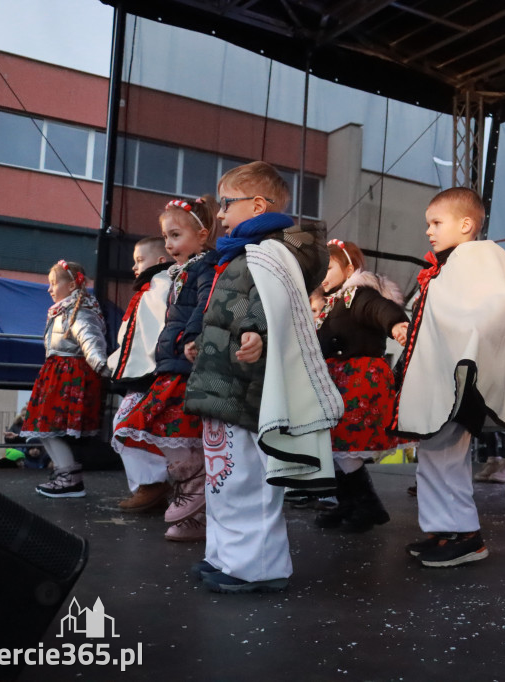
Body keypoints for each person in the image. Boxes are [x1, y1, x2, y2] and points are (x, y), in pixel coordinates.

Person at [184, 161, 340, 593]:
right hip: (227, 378)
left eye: (226, 204)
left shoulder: (270, 254)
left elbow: (272, 308)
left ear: (256, 205)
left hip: (245, 383)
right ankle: (229, 557)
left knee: (243, 478)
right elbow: (240, 305)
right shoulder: (243, 253)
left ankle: (251, 566)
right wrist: (204, 339)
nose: (219, 214)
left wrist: (257, 335)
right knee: (224, 477)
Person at [390, 187, 505, 568]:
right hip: (445, 374)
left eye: (437, 223)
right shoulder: (455, 264)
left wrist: (465, 350)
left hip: (459, 376)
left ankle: (465, 535)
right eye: (428, 224)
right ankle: (443, 531)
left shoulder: (478, 257)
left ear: (467, 224)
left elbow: (489, 309)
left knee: (446, 455)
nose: (429, 231)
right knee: (434, 455)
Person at [114, 197, 219, 541]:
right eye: (166, 236)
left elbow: (204, 307)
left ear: (202, 235)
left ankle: (194, 489)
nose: (170, 244)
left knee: (176, 429)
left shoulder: (205, 268)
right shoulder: (177, 273)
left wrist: (193, 337)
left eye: (176, 235)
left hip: (185, 365)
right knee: (157, 427)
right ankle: (191, 499)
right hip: (171, 364)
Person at [313, 238, 409, 533]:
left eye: (328, 267)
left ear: (350, 267)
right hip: (338, 380)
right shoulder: (333, 302)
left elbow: (378, 308)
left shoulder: (357, 294)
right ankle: (351, 503)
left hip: (359, 379)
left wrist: (395, 324)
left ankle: (367, 506)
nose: (322, 275)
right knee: (335, 445)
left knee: (345, 444)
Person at [19, 260, 108, 497]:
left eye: (53, 283)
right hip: (58, 373)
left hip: (69, 375)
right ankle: (66, 474)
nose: (49, 288)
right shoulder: (64, 310)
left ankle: (68, 477)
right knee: (43, 426)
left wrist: (101, 365)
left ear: (71, 286)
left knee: (46, 425)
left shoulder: (79, 311)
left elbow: (91, 339)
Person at [107, 236, 173, 513]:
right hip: (144, 373)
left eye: (139, 260)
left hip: (155, 371)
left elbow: (162, 323)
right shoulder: (146, 290)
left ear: (160, 260)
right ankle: (153, 485)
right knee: (131, 423)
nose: (135, 266)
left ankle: (153, 484)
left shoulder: (163, 285)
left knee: (127, 423)